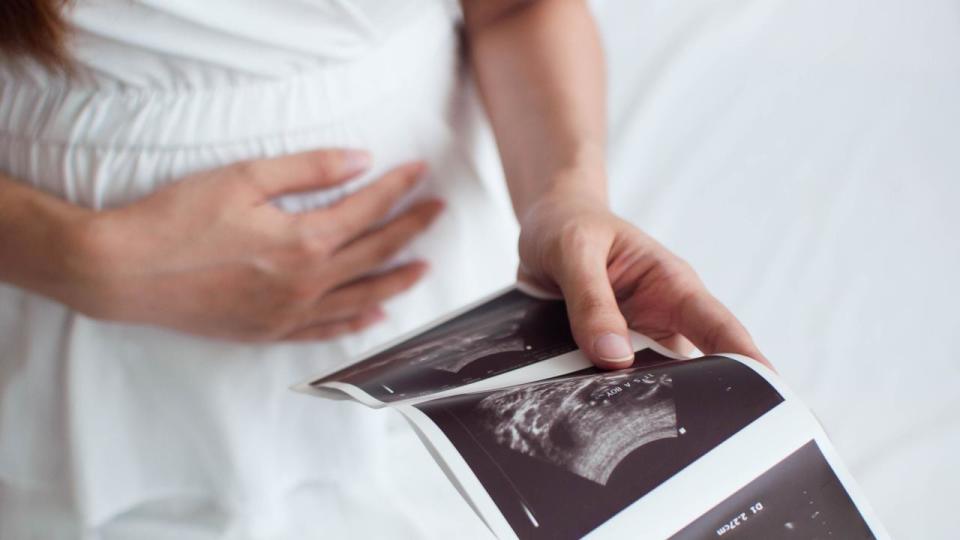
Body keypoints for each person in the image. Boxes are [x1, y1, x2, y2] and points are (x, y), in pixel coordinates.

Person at [0, 0, 765, 537]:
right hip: (64, 335)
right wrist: (77, 258)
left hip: (433, 286)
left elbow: (515, 8)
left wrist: (564, 197)